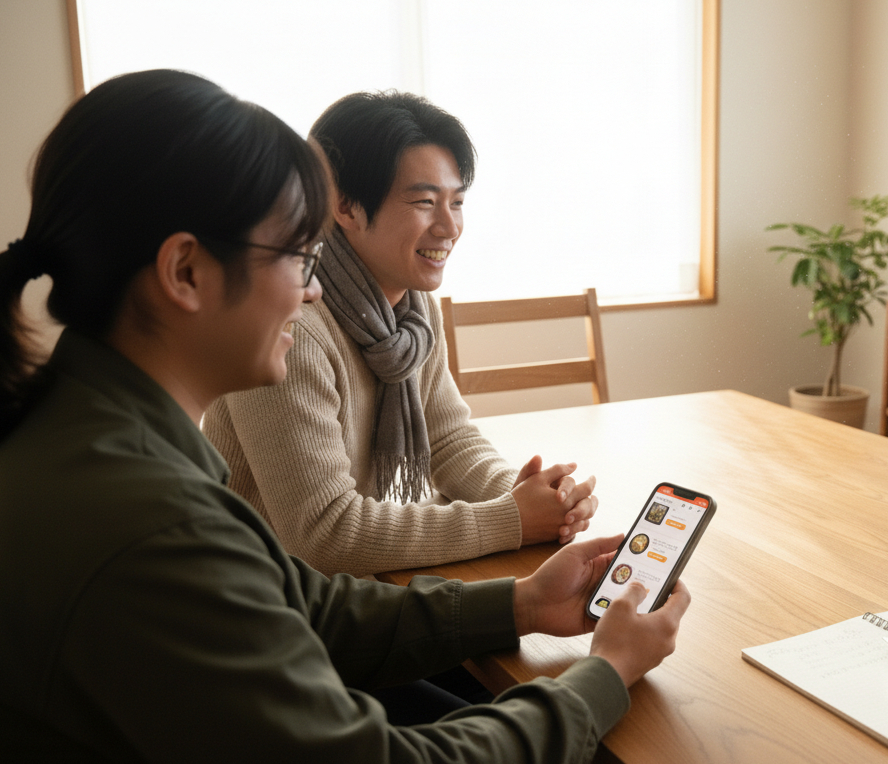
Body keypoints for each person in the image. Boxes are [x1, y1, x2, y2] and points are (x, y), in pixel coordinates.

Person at [0, 69, 688, 763]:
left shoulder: (92, 439)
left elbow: (305, 603)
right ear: (186, 272)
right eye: (296, 256)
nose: (312, 290)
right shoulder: (155, 528)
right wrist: (605, 674)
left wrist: (525, 602)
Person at [202, 91, 597, 577]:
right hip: (268, 603)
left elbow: (447, 438)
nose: (449, 226)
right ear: (344, 206)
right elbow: (323, 533)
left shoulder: (413, 312)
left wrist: (525, 492)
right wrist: (510, 518)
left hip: (346, 594)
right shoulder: (292, 325)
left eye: (457, 202)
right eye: (425, 202)